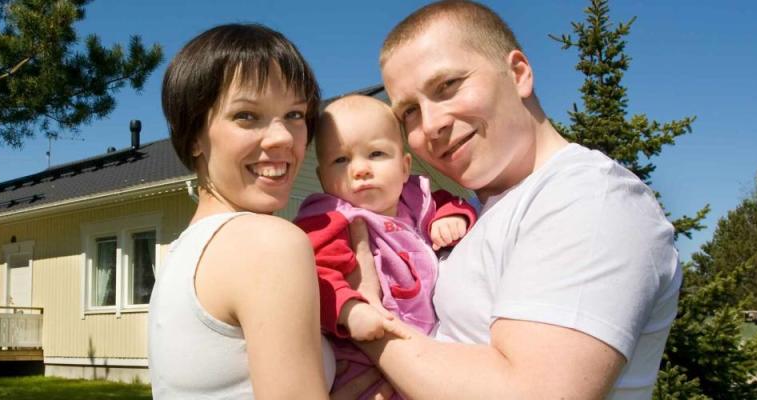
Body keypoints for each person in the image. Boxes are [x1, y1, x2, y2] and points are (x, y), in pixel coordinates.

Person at [339, 1, 682, 399]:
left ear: (518, 73)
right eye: (410, 112)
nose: (432, 125)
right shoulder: (478, 217)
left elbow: (532, 392)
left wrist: (362, 321)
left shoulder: (591, 197)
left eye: (448, 86)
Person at [147, 23, 337, 399]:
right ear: (194, 135)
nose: (283, 137)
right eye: (247, 116)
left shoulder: (180, 254)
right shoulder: (268, 245)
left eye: (296, 114)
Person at [294, 94, 477, 398]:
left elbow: (451, 202)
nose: (360, 169)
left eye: (376, 154)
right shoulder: (331, 218)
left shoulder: (416, 202)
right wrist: (349, 311)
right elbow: (315, 274)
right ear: (323, 178)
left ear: (405, 166)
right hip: (359, 359)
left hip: (423, 350)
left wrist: (451, 216)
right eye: (341, 160)